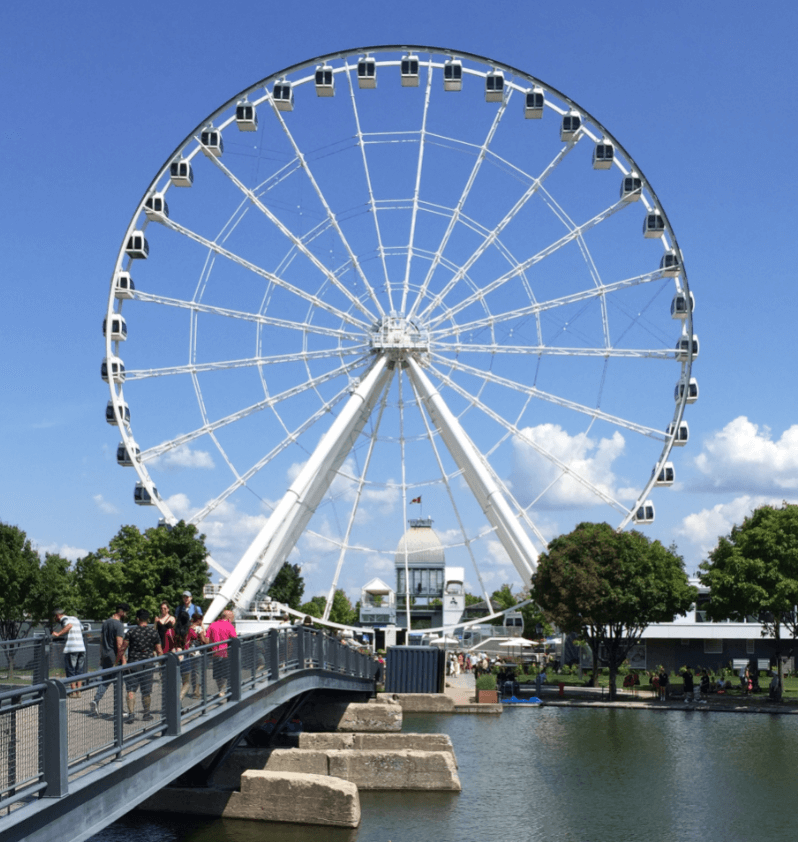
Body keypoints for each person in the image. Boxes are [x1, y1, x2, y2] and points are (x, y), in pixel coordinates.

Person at [118, 609, 163, 721]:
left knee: (131, 690)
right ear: (148, 619)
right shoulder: (154, 633)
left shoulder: (131, 632)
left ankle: (131, 714)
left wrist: (117, 662)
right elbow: (159, 651)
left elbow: (122, 649)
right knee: (146, 691)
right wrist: (162, 665)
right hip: (148, 665)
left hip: (133, 665)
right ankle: (146, 714)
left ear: (137, 619)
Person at [90, 603, 129, 716]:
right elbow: (119, 644)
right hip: (114, 657)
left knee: (106, 679)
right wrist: (123, 660)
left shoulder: (106, 622)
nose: (126, 615)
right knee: (118, 682)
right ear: (121, 612)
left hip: (105, 654)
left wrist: (101, 656)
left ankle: (96, 700)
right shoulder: (118, 625)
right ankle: (118, 710)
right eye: (126, 612)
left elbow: (102, 640)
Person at [51, 608, 86, 695]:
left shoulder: (64, 619)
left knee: (70, 669)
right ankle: (79, 691)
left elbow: (69, 625)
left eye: (55, 617)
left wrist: (58, 634)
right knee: (79, 670)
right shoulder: (75, 618)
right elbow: (82, 629)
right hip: (81, 647)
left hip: (72, 648)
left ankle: (73, 692)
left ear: (58, 615)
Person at [206, 609, 237, 697]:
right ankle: (223, 690)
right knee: (225, 672)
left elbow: (207, 640)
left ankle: (220, 690)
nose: (233, 619)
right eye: (232, 617)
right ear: (228, 617)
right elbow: (235, 639)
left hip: (215, 652)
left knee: (217, 673)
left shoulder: (212, 625)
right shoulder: (229, 626)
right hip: (226, 652)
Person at [164, 612, 196, 700]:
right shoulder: (189, 631)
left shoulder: (169, 631)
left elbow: (166, 648)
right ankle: (179, 698)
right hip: (185, 657)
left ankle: (174, 701)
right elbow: (195, 636)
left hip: (172, 658)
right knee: (186, 682)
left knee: (174, 682)